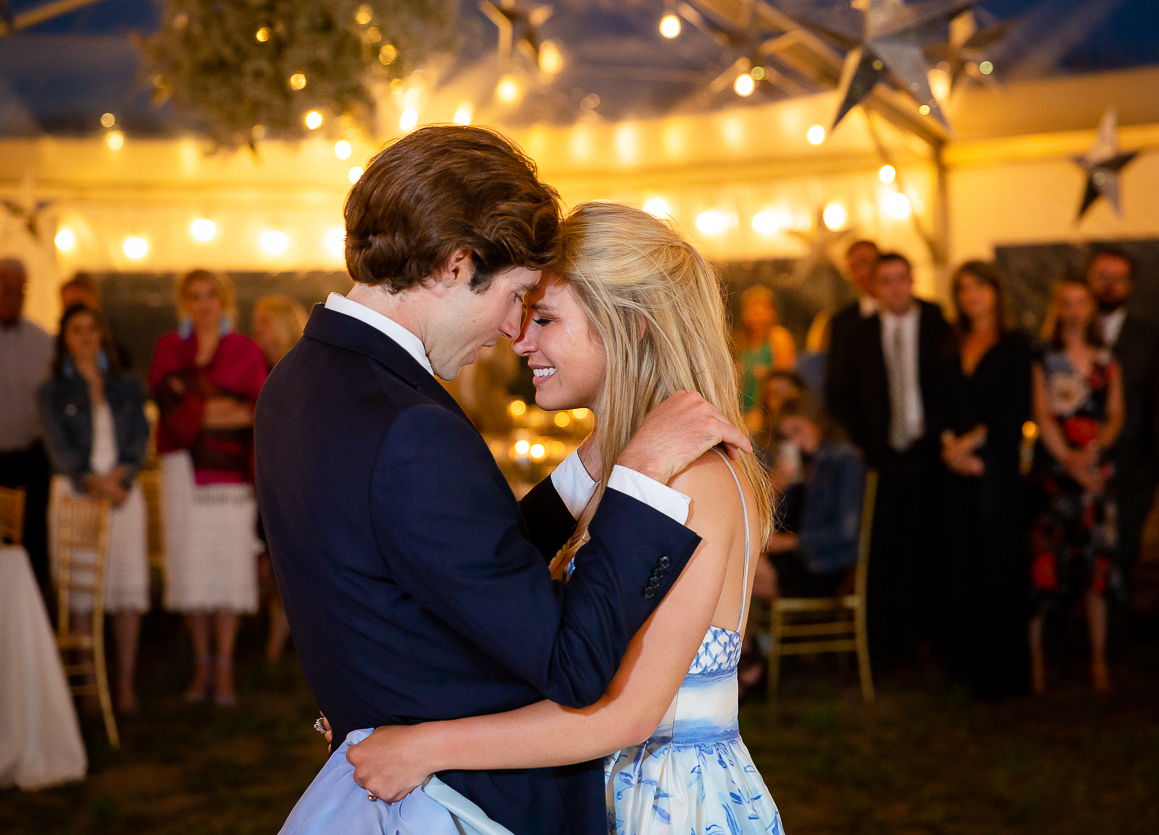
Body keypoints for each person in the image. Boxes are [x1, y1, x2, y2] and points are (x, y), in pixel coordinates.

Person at [256, 126, 746, 835]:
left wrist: (594, 465)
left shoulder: (298, 380)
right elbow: (567, 658)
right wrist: (634, 476)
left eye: (540, 311)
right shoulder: (408, 424)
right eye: (517, 295)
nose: (512, 332)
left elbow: (460, 565)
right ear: (456, 267)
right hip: (463, 801)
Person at [149, 269, 267, 706]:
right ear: (184, 303)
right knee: (193, 573)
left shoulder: (243, 350)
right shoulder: (169, 348)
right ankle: (201, 668)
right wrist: (218, 408)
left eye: (211, 295)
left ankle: (225, 669)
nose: (203, 304)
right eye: (194, 296)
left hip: (230, 480)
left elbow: (254, 410)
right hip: (181, 474)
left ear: (224, 301)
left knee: (226, 573)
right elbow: (167, 408)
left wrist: (196, 407)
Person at [830, 251, 952, 668]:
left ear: (913, 280)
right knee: (885, 552)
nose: (896, 288)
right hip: (881, 459)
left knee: (931, 546)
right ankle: (888, 646)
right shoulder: (856, 333)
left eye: (902, 278)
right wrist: (862, 443)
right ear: (874, 287)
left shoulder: (938, 324)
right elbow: (839, 395)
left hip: (931, 454)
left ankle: (931, 640)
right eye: (886, 280)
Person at [38, 304, 150, 714]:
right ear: (64, 338)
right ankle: (88, 688)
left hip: (122, 494)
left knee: (126, 593)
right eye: (76, 330)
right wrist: (91, 481)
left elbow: (140, 435)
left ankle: (123, 684)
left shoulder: (126, 384)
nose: (86, 337)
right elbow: (58, 448)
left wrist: (122, 478)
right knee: (81, 596)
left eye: (92, 329)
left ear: (102, 335)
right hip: (76, 496)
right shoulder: (52, 390)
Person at [939, 261, 1032, 700]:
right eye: (963, 289)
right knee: (959, 566)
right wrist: (949, 448)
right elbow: (938, 401)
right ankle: (964, 668)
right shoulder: (950, 343)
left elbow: (1014, 411)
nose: (971, 296)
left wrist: (971, 447)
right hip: (955, 469)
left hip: (996, 468)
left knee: (998, 567)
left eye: (979, 287)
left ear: (996, 291)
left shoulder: (1015, 346)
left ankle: (1001, 675)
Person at [1029, 278, 1124, 694]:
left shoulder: (1106, 359)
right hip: (1055, 473)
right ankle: (1035, 666)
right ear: (1056, 307)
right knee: (1043, 569)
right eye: (1065, 303)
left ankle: (1098, 662)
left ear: (1090, 307)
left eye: (1081, 302)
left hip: (1095, 474)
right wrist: (1067, 459)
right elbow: (1041, 413)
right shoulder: (1043, 357)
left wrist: (1092, 452)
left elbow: (1116, 414)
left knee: (1095, 569)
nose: (1074, 310)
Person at [1086, 247, 1159, 586]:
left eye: (1119, 278)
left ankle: (1116, 637)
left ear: (1130, 285)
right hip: (1079, 466)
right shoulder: (1068, 334)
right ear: (1089, 281)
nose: (1110, 286)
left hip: (1133, 471)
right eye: (1103, 277)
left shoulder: (1151, 337)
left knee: (1122, 561)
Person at [0, 257, 54, 590]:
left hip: (29, 458)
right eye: (5, 288)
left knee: (33, 539)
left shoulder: (42, 342)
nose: (13, 295)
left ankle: (34, 615)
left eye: (20, 289)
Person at [757, 394, 865, 600]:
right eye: (787, 437)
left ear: (814, 420)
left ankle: (744, 633)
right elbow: (784, 518)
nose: (794, 441)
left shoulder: (844, 459)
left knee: (740, 569)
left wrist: (791, 542)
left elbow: (847, 531)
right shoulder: (808, 464)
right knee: (738, 565)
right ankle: (746, 633)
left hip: (827, 564)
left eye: (797, 430)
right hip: (803, 560)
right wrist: (775, 489)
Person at [250, 294, 308, 664]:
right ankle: (275, 653)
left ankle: (281, 655)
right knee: (275, 572)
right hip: (272, 479)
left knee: (288, 572)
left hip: (295, 485)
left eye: (264, 324)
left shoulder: (296, 373)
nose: (257, 333)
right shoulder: (267, 370)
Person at [823, 239, 880, 423]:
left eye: (865, 263)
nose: (862, 272)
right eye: (853, 267)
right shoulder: (842, 322)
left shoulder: (920, 313)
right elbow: (838, 385)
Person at [735, 285, 796, 413]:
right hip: (741, 412)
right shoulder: (738, 342)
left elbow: (785, 383)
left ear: (772, 311)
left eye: (762, 306)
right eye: (751, 306)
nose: (757, 311)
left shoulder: (778, 338)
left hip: (769, 415)